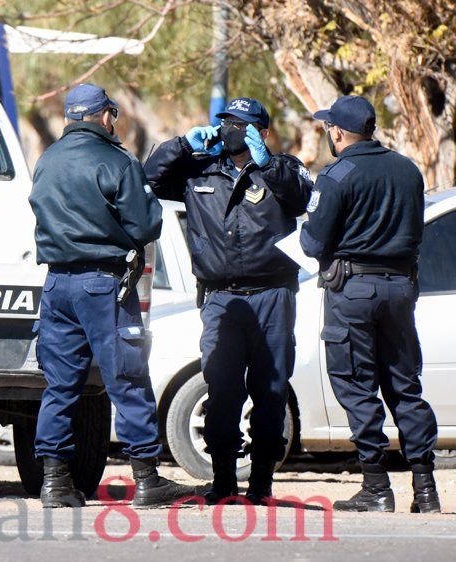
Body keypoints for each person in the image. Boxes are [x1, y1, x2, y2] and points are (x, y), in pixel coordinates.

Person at [29, 83, 193, 509]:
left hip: (55, 286)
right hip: (101, 286)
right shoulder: (116, 160)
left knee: (59, 386)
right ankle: (147, 479)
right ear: (104, 115)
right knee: (127, 378)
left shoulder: (47, 160)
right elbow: (145, 226)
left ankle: (55, 483)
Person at [144, 97, 312, 505]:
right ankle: (222, 482)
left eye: (242, 124)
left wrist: (266, 164)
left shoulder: (282, 168)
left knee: (271, 390)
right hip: (221, 298)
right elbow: (147, 176)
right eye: (226, 122)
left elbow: (301, 198)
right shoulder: (201, 168)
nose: (230, 129)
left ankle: (261, 484)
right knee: (221, 389)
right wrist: (182, 145)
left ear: (262, 132)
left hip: (272, 294)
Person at [300, 95, 440, 513]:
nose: (328, 134)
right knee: (404, 384)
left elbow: (313, 242)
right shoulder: (407, 169)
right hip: (400, 288)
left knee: (356, 384)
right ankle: (426, 488)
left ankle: (376, 487)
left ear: (338, 132)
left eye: (328, 128)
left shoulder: (337, 174)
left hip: (353, 292)